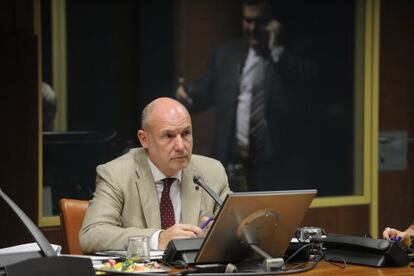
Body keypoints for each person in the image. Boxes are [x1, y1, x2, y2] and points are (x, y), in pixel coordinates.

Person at [176, 0, 317, 192]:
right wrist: (189, 98)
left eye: (259, 22)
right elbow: (210, 90)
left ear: (273, 23)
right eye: (248, 21)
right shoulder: (227, 53)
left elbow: (306, 82)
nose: (252, 28)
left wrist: (276, 50)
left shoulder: (289, 55)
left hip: (276, 165)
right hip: (232, 161)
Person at [79, 97, 231, 253]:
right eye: (168, 136)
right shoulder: (117, 174)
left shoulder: (212, 172)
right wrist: (158, 239)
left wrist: (218, 233)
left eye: (186, 133)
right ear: (144, 139)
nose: (180, 146)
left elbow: (240, 226)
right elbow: (92, 235)